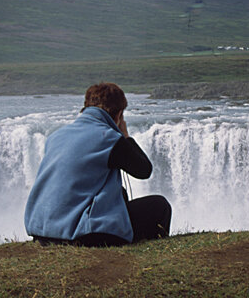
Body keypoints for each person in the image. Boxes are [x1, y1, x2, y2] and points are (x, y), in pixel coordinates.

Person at [24, 82, 171, 246]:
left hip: (43, 233)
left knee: (120, 194)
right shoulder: (109, 138)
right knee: (159, 206)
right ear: (119, 115)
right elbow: (144, 170)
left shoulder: (55, 136)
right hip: (83, 235)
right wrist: (125, 135)